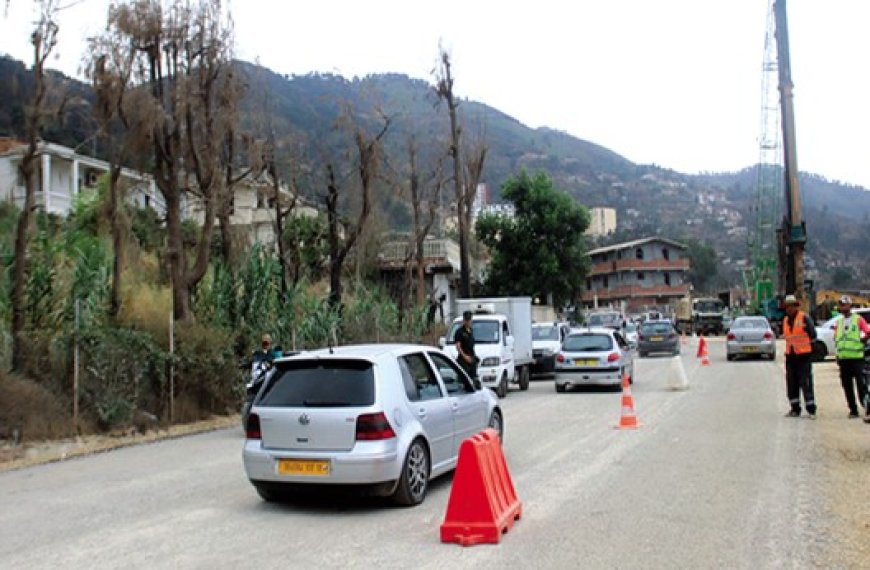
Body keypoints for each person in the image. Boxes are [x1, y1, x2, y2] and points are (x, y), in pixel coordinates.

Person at [831, 296, 870, 419]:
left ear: (850, 306)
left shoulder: (858, 319)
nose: (843, 307)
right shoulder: (839, 322)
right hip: (844, 359)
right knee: (847, 386)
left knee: (861, 385)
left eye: (845, 305)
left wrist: (863, 340)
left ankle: (867, 407)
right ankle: (853, 410)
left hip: (857, 358)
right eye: (841, 305)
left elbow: (867, 332)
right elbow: (837, 338)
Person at [782, 294, 818, 418]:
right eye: (787, 307)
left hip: (803, 356)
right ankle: (795, 408)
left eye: (791, 306)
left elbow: (813, 334)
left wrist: (810, 351)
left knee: (806, 382)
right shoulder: (786, 320)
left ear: (795, 306)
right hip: (791, 357)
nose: (789, 309)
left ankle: (811, 409)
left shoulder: (804, 318)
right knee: (792, 383)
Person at [454, 310, 478, 380]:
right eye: (466, 320)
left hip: (471, 358)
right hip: (463, 360)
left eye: (469, 320)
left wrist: (475, 358)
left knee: (473, 379)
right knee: (464, 379)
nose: (468, 321)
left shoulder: (471, 330)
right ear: (464, 320)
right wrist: (465, 357)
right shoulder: (459, 331)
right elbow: (458, 347)